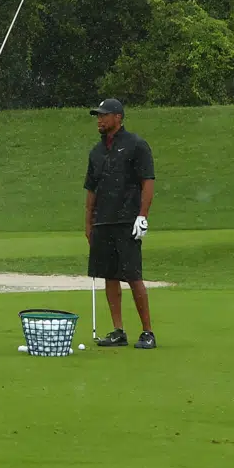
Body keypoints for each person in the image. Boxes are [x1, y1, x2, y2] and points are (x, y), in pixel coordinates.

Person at [84, 98, 157, 348]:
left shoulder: (136, 145)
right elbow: (91, 190)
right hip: (102, 221)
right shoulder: (96, 151)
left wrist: (142, 216)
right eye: (97, 116)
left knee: (132, 275)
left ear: (118, 117)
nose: (99, 120)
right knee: (109, 275)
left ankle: (147, 331)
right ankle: (118, 330)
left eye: (104, 115)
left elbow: (147, 181)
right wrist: (88, 223)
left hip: (127, 219)